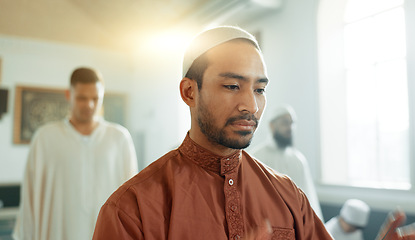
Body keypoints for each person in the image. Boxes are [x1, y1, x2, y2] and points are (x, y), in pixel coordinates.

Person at [92, 26, 333, 239]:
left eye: (259, 89)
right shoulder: (132, 209)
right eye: (232, 86)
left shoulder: (287, 196)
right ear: (189, 92)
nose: (251, 105)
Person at [13, 67, 138, 240]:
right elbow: (29, 198)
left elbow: (131, 200)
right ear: (68, 95)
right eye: (82, 98)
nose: (89, 105)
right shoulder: (44, 138)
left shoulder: (119, 138)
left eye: (95, 98)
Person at [251, 105, 324, 220]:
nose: (290, 128)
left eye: (292, 123)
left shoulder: (298, 160)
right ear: (272, 126)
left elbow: (309, 198)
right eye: (285, 123)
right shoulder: (256, 158)